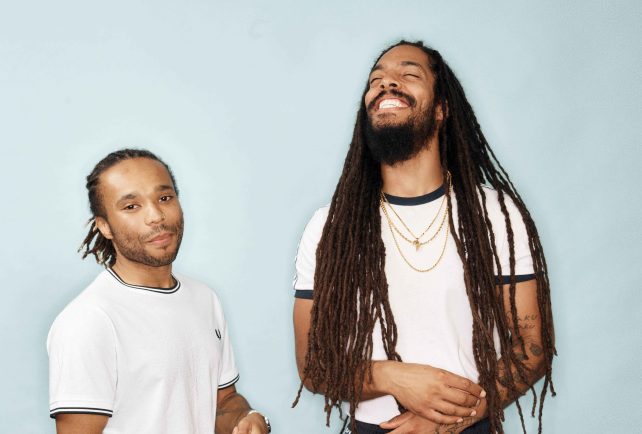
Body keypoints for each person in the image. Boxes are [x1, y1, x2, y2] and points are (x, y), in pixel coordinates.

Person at [292, 41, 556, 434]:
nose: (387, 84)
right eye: (376, 80)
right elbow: (313, 366)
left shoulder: (494, 214)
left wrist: (451, 420)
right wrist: (391, 377)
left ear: (441, 109)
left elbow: (532, 347)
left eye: (408, 74)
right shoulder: (330, 227)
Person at [47, 149, 271, 434]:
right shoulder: (88, 320)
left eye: (164, 198)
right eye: (131, 206)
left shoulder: (205, 299)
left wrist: (245, 417)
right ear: (104, 226)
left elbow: (222, 402)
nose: (155, 216)